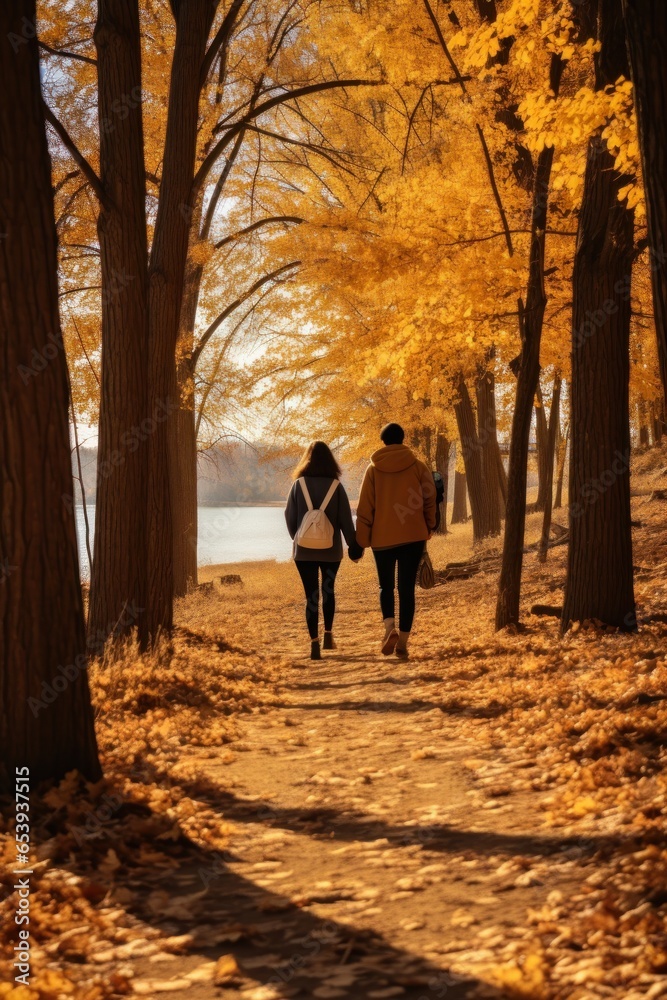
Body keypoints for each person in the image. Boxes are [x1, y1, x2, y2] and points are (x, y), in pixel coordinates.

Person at [356, 422, 436, 659]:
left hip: (382, 539)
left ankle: (389, 628)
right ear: (403, 438)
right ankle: (402, 641)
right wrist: (429, 525)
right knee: (406, 589)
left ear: (383, 441)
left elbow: (365, 508)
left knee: (386, 586)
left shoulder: (372, 470)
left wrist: (361, 540)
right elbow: (429, 497)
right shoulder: (418, 467)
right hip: (413, 536)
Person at [285, 441, 363, 660]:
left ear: (306, 460)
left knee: (311, 596)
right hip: (331, 550)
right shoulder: (336, 487)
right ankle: (328, 635)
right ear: (330, 461)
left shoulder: (298, 485)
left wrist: (298, 538)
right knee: (328, 591)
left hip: (304, 552)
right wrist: (353, 547)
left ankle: (314, 645)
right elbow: (346, 522)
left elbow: (290, 518)